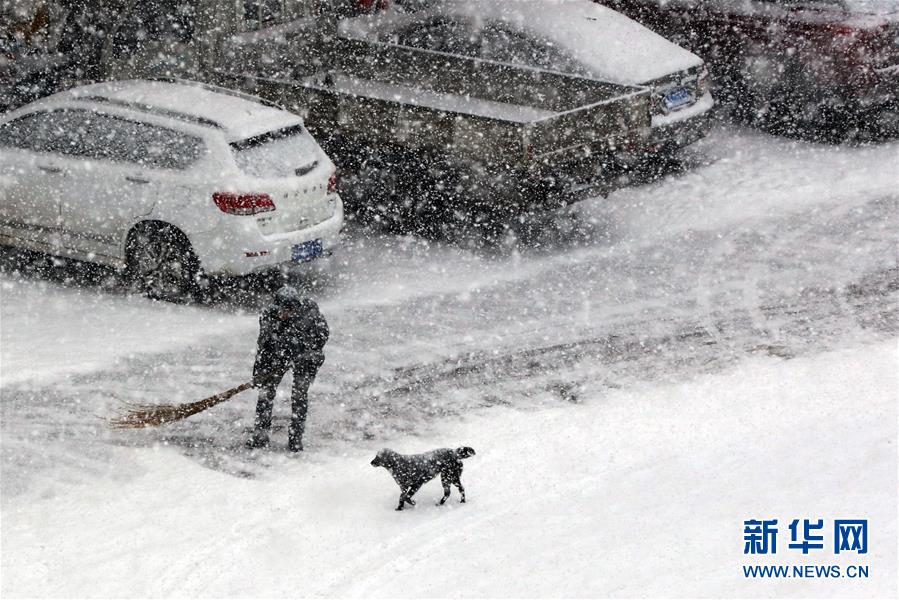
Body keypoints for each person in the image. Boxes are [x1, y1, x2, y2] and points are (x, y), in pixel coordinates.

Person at [248, 286, 329, 452]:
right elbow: (264, 345)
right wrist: (259, 374)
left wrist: (303, 352)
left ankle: (295, 439)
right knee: (266, 393)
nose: (286, 314)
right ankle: (260, 436)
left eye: (290, 310)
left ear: (297, 307)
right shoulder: (269, 316)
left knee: (299, 396)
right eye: (283, 310)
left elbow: (323, 335)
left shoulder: (310, 313)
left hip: (305, 359)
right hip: (278, 357)